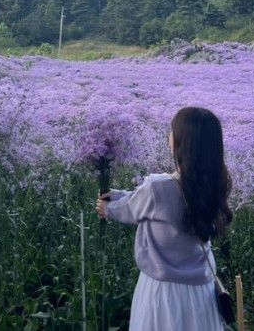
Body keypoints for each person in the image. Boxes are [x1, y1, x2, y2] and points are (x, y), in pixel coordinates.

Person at [96, 107, 233, 330]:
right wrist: (121, 195)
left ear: (181, 142)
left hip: (163, 294)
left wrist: (106, 208)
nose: (169, 135)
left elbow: (131, 209)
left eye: (172, 131)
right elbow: (143, 201)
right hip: (201, 292)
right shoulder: (215, 184)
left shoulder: (158, 187)